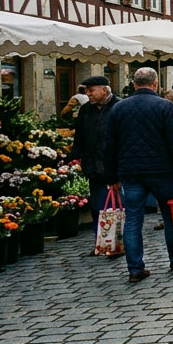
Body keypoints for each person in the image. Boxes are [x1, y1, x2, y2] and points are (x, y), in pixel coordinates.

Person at [103, 68, 173, 283]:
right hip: (161, 171)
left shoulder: (119, 108)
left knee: (133, 219)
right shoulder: (165, 106)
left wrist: (111, 178)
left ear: (134, 84)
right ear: (155, 84)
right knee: (170, 215)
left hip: (131, 172)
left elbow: (109, 146)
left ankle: (135, 268)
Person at [72, 75, 119, 248]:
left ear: (104, 90)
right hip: (93, 166)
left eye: (91, 91)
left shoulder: (118, 107)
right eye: (86, 91)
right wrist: (74, 156)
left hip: (115, 166)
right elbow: (80, 136)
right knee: (96, 207)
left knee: (116, 207)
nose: (88, 94)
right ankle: (100, 242)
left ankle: (117, 241)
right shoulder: (86, 110)